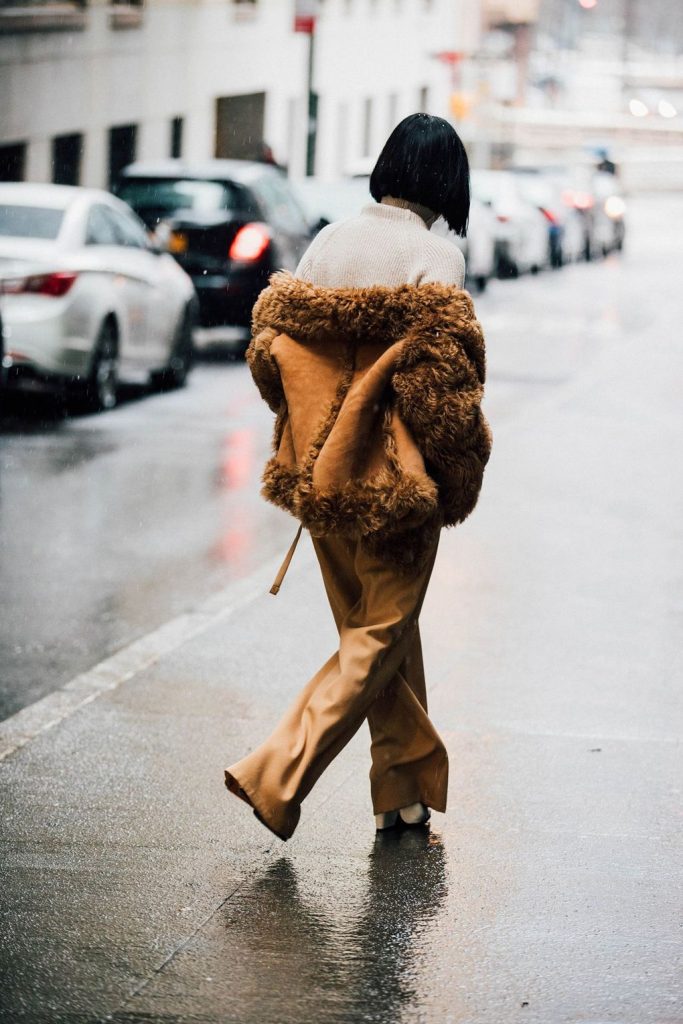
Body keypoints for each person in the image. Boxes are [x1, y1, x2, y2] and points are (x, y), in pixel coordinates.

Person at [225, 113, 492, 841]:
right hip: (396, 487)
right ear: (446, 180)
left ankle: (402, 794)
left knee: (376, 641)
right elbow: (443, 393)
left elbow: (268, 356)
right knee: (379, 636)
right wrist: (457, 470)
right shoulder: (433, 258)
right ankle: (275, 774)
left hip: (318, 479)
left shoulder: (329, 241)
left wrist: (315, 427)